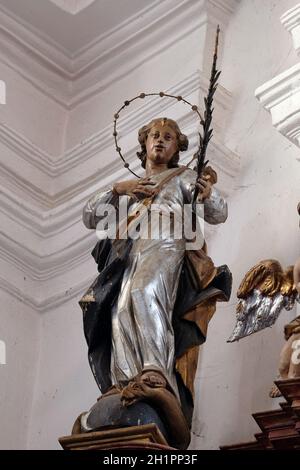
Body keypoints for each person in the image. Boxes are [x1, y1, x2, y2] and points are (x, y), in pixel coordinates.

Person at [80, 118, 231, 438]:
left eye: (168, 138)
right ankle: (124, 379)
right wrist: (117, 189)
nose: (160, 142)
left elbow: (218, 213)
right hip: (131, 252)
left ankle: (154, 371)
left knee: (147, 294)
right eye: (154, 137)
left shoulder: (183, 177)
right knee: (121, 309)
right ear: (144, 144)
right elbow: (90, 216)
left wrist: (208, 194)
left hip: (168, 243)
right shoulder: (132, 189)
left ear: (178, 148)